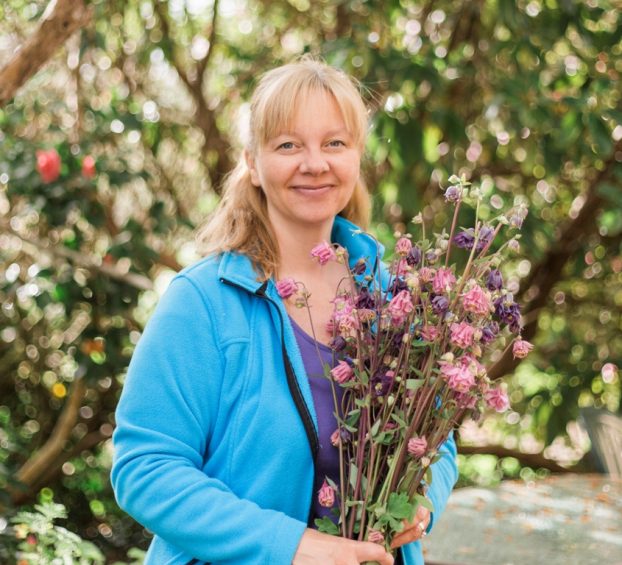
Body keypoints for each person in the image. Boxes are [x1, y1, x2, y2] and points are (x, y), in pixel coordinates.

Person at [111, 57, 458, 565]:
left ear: (356, 156)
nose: (314, 163)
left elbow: (435, 437)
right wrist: (291, 547)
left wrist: (424, 499)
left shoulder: (390, 297)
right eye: (288, 145)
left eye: (334, 143)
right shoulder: (203, 303)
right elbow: (145, 469)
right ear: (253, 160)